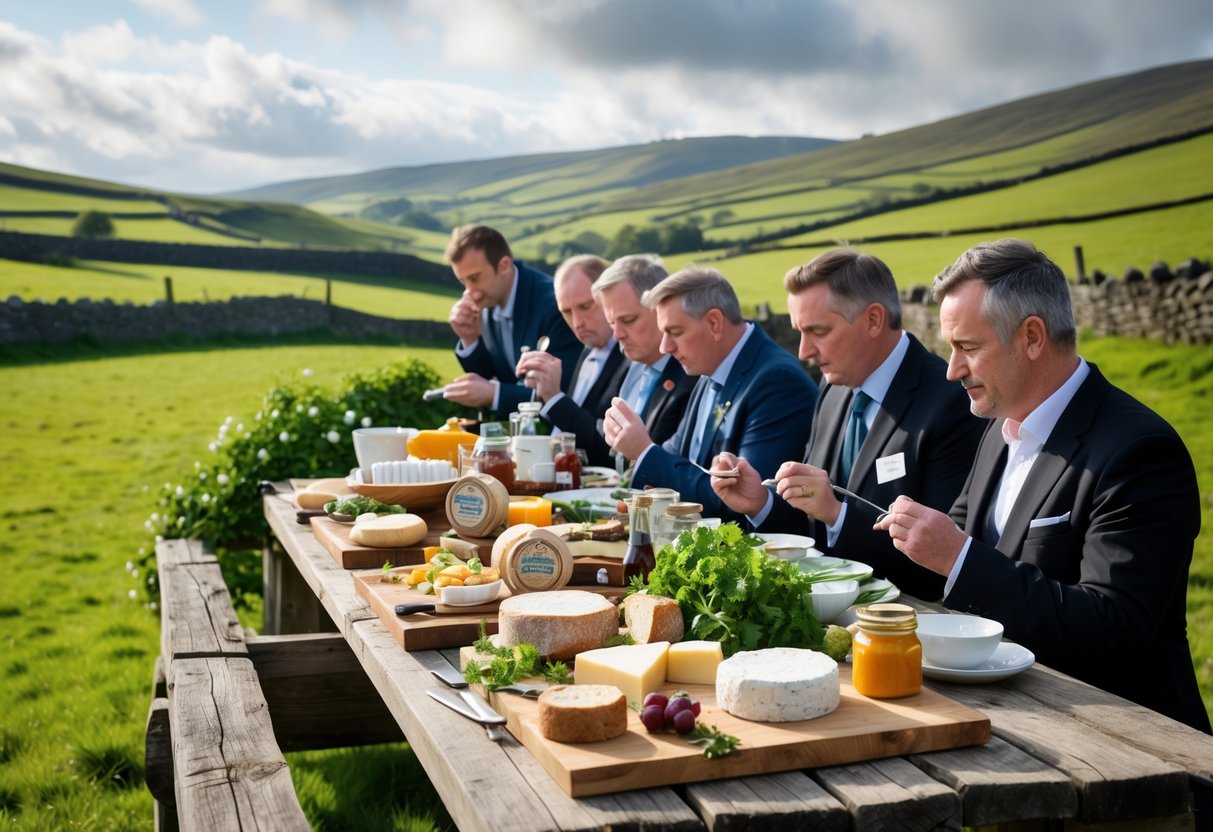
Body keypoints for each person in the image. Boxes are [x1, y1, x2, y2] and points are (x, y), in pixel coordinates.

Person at [871, 238, 1209, 733]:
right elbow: (952, 556)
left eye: (968, 347)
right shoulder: (999, 430)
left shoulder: (1139, 451)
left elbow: (1115, 631)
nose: (952, 369)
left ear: (1032, 337)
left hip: (1135, 749)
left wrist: (957, 556)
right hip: (1018, 723)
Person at [711, 249, 984, 600]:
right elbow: (812, 528)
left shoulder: (949, 401)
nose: (803, 352)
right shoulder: (833, 386)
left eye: (818, 331)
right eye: (800, 332)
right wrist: (760, 502)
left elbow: (940, 560)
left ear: (873, 320)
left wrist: (837, 513)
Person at [604, 266, 818, 520]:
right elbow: (677, 455)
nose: (665, 346)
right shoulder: (711, 367)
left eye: (675, 332)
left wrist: (643, 452)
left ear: (714, 323)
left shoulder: (777, 382)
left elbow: (737, 499)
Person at [542, 254, 697, 466]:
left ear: (662, 308)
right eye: (612, 323)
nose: (617, 335)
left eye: (628, 320)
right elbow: (610, 446)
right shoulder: (631, 362)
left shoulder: (692, 374)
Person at [442, 225, 580, 416]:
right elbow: (486, 379)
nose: (469, 292)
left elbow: (563, 388)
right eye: (463, 281)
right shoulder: (487, 301)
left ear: (504, 265)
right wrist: (470, 339)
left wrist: (495, 394)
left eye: (474, 278)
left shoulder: (553, 304)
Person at [514, 255, 627, 444]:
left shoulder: (631, 358)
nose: (577, 323)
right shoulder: (587, 350)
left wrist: (554, 398)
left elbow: (607, 443)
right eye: (566, 312)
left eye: (585, 306)